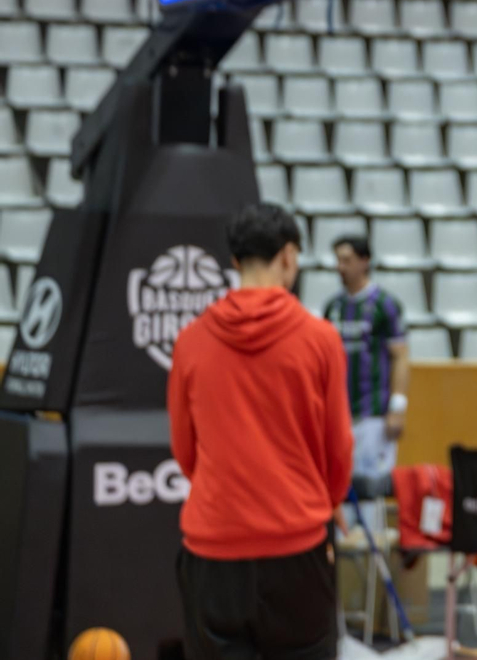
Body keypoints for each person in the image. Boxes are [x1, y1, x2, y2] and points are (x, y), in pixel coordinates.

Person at [168, 202, 353, 660]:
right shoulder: (321, 339)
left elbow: (185, 450)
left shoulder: (190, 340)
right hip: (297, 545)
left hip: (213, 547)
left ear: (235, 260)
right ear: (288, 256)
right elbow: (338, 447)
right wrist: (327, 500)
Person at [324, 235, 410, 481]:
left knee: (373, 488)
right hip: (340, 414)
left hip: (375, 415)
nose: (340, 267)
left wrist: (397, 409)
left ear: (365, 261)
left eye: (347, 260)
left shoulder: (385, 305)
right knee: (340, 485)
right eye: (338, 260)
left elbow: (400, 357)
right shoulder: (333, 307)